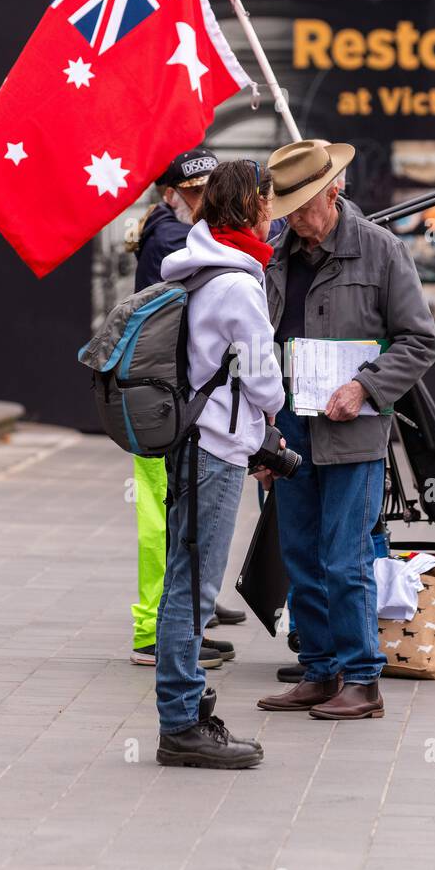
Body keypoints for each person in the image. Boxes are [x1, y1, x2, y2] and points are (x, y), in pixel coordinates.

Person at [256, 138, 435, 721]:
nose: (294, 217)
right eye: (286, 206)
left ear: (334, 192)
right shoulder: (274, 254)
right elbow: (260, 345)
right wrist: (259, 433)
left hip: (354, 428)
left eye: (304, 204)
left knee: (345, 557)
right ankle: (320, 670)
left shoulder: (382, 251)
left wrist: (365, 386)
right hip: (289, 427)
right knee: (300, 555)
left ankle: (363, 680)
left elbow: (420, 340)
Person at [155, 159, 284, 769]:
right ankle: (181, 723)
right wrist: (275, 413)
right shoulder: (237, 282)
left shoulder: (202, 266)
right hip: (214, 448)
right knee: (194, 587)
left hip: (192, 443)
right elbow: (264, 380)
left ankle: (187, 707)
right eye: (266, 200)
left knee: (185, 576)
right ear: (248, 208)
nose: (272, 210)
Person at [127, 147, 246, 671]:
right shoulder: (173, 239)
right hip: (162, 406)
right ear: (169, 194)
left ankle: (184, 610)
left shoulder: (174, 233)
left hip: (172, 405)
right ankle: (154, 628)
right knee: (160, 519)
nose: (202, 204)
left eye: (209, 193)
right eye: (193, 193)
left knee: (178, 517)